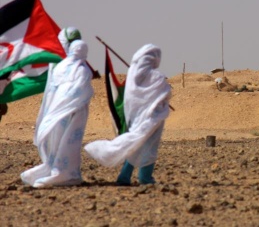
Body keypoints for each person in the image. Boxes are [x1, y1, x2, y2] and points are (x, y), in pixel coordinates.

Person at [84, 44, 171, 185]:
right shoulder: (156, 77)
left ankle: (124, 177)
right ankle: (145, 177)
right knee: (149, 146)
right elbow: (166, 93)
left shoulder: (131, 74)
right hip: (153, 118)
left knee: (133, 146)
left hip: (135, 118)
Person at [20, 40, 94, 188]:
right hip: (74, 111)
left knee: (58, 142)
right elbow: (81, 91)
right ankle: (63, 173)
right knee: (69, 144)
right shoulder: (83, 70)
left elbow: (52, 90)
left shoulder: (60, 66)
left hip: (57, 111)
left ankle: (66, 173)